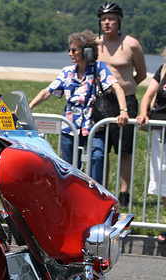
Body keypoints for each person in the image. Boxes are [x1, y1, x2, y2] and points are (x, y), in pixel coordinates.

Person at [29, 30, 128, 184]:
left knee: (97, 156)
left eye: (74, 50)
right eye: (69, 49)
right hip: (70, 128)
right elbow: (47, 92)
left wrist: (123, 111)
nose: (70, 53)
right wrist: (30, 106)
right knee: (69, 166)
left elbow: (117, 88)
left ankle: (97, 194)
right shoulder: (67, 72)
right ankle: (72, 195)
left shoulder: (99, 68)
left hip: (94, 126)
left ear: (87, 52)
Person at [96, 2, 147, 207]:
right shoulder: (95, 44)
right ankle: (103, 190)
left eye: (111, 19)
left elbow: (142, 74)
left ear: (119, 21)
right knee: (102, 149)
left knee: (125, 150)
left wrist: (126, 90)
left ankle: (124, 193)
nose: (107, 23)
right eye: (104, 20)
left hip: (127, 101)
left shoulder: (131, 44)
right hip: (102, 102)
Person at [137, 47, 166, 243]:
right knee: (163, 180)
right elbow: (148, 95)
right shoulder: (163, 69)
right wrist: (144, 112)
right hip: (159, 129)